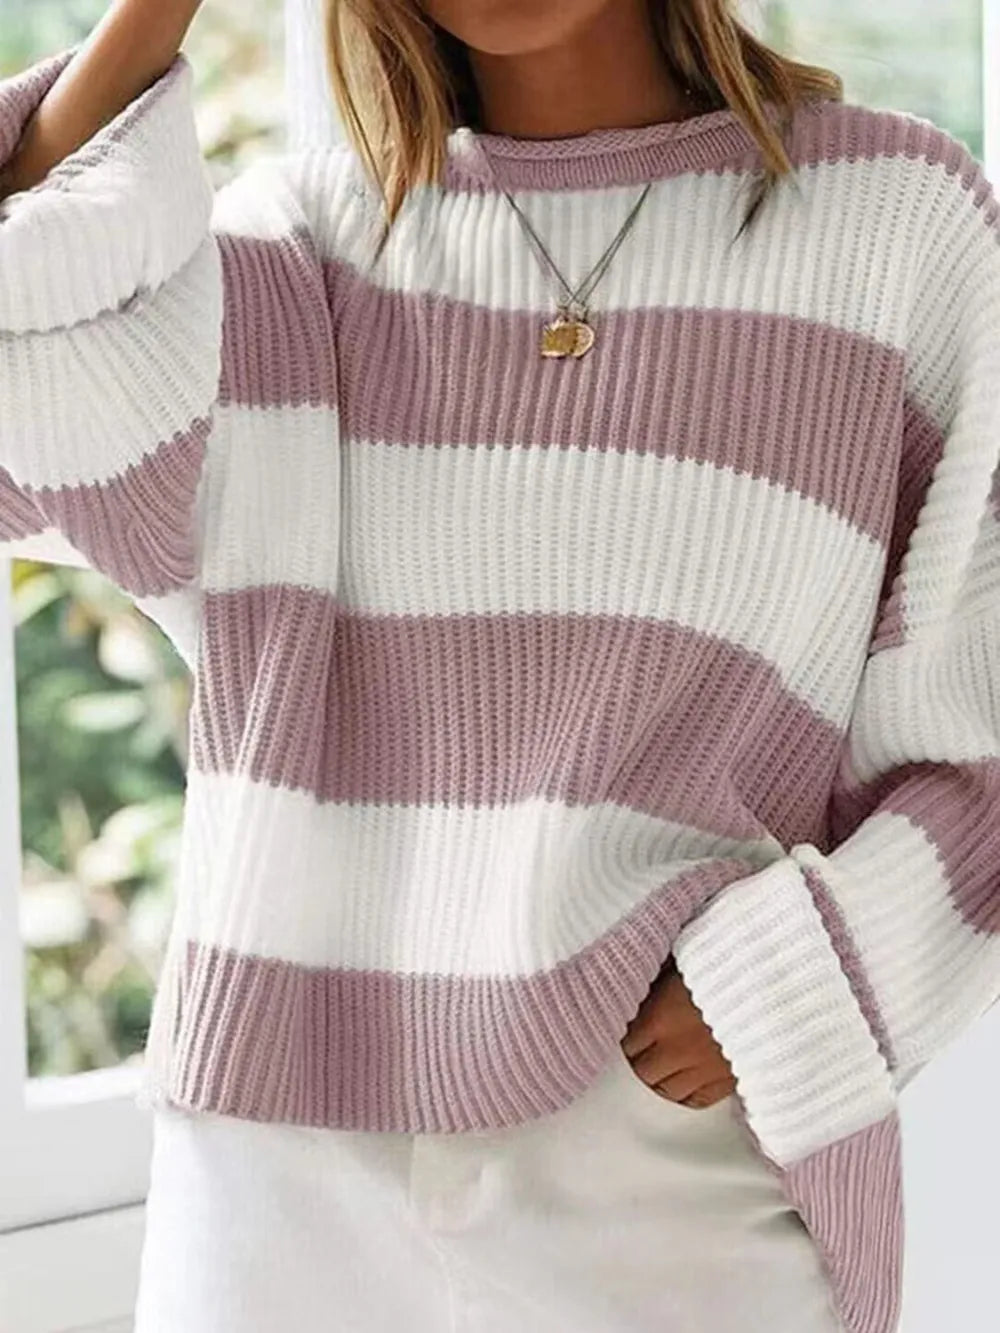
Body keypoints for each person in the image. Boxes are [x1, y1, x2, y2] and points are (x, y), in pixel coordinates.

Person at [1, 1, 998, 1330]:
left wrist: (798, 977)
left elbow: (979, 724)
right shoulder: (293, 252)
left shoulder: (897, 225)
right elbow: (30, 379)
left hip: (660, 1165)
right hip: (277, 1165)